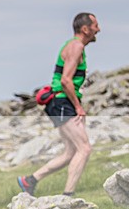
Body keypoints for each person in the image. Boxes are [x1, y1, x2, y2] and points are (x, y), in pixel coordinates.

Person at [18, 12, 101, 197]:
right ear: (85, 29)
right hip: (63, 102)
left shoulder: (74, 46)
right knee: (84, 148)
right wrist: (78, 107)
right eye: (95, 25)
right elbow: (65, 81)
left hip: (59, 102)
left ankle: (29, 181)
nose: (99, 29)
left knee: (71, 151)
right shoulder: (76, 46)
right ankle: (68, 196)